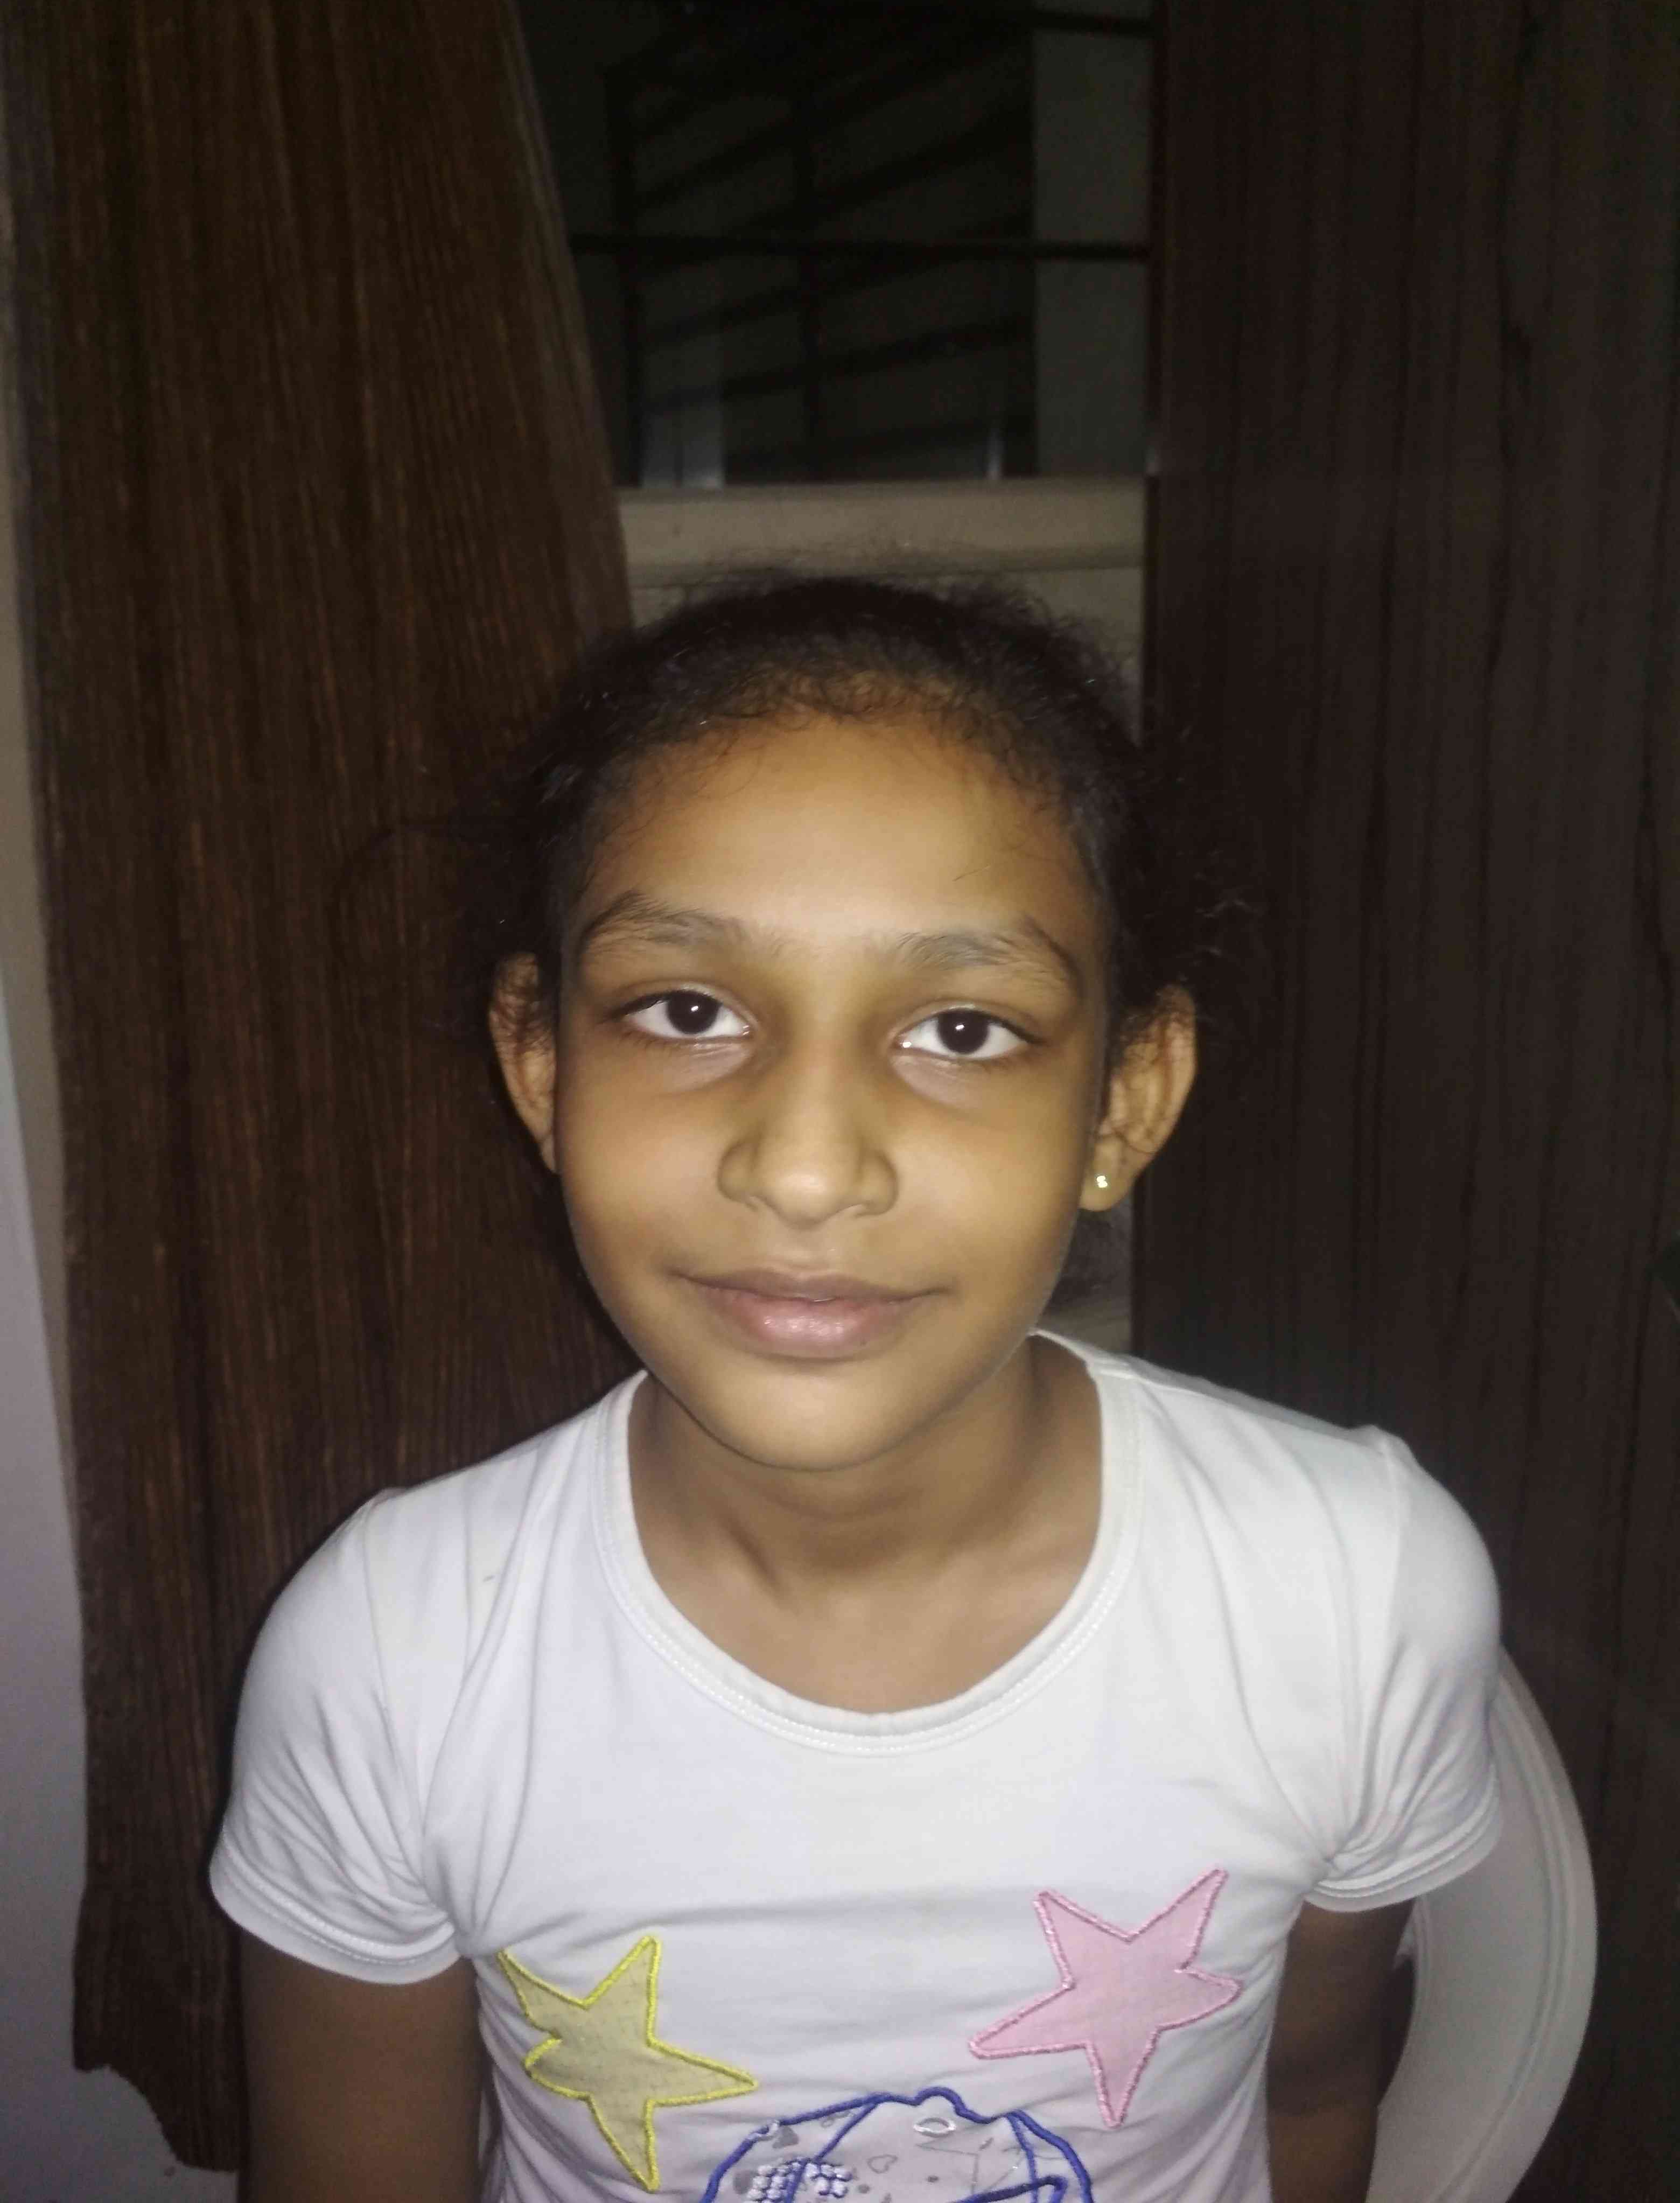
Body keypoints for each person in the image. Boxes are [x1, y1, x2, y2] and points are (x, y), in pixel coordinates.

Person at [212, 576, 1501, 2203]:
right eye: (688, 1011)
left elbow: (1308, 2103)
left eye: (961, 1029)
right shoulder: (395, 1661)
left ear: (1126, 1099)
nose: (809, 1169)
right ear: (542, 1066)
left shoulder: (1353, 1593)